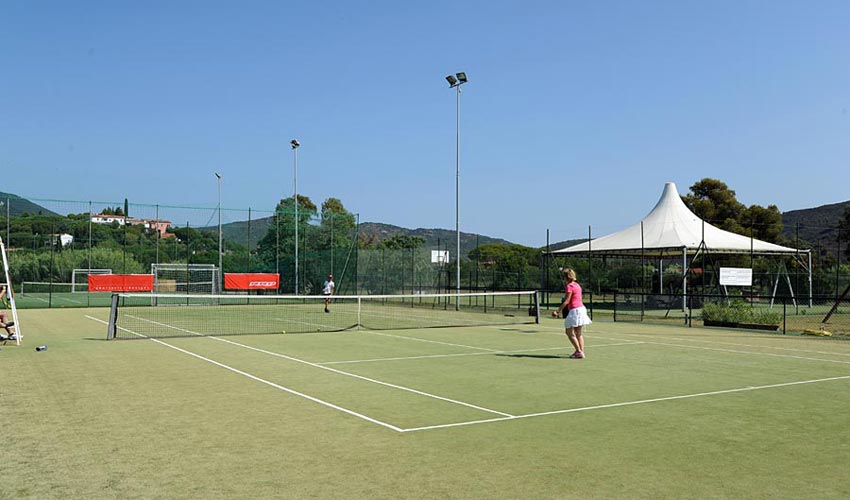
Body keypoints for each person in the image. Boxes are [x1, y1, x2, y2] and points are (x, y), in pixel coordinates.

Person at [552, 268, 591, 359]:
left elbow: (566, 301)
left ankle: (579, 351)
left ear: (567, 277)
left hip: (575, 311)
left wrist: (557, 311)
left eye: (564, 277)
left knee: (568, 332)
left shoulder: (569, 286)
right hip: (581, 309)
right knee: (578, 333)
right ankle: (580, 352)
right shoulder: (577, 285)